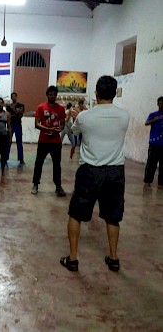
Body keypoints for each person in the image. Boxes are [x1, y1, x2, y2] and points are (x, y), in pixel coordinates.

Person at [60, 75, 130, 272]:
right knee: (113, 216)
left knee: (75, 214)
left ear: (96, 94)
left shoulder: (85, 116)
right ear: (115, 93)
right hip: (115, 171)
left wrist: (76, 116)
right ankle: (114, 258)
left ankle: (73, 259)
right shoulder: (124, 116)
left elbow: (74, 132)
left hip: (89, 171)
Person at [31, 85, 66, 197]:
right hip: (44, 141)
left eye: (54, 94)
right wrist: (48, 129)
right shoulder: (41, 107)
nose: (52, 96)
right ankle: (35, 184)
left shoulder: (60, 109)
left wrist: (57, 130)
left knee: (57, 165)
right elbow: (36, 124)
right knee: (39, 163)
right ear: (47, 95)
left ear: (56, 95)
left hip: (56, 142)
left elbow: (62, 125)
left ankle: (58, 186)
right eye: (50, 94)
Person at [143, 96, 163, 189]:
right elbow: (146, 123)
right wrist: (156, 119)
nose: (161, 104)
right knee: (151, 163)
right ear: (157, 104)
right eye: (160, 103)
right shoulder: (153, 114)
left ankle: (161, 183)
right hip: (154, 144)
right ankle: (147, 181)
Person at [6, 92, 25, 166]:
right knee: (8, 142)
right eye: (12, 96)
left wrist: (14, 111)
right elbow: (9, 116)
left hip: (18, 125)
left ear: (16, 97)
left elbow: (21, 115)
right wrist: (16, 112)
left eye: (15, 96)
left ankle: (21, 159)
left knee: (19, 143)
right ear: (11, 97)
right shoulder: (8, 107)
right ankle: (6, 158)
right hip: (11, 125)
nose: (13, 98)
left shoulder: (21, 105)